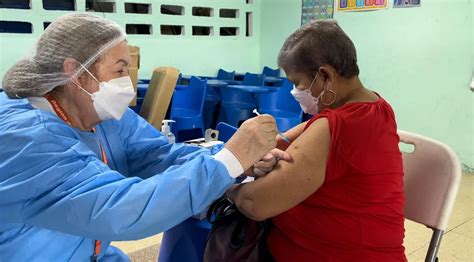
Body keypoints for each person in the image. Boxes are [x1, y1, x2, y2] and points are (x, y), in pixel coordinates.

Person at [0, 13, 283, 261]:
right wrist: (229, 160)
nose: (128, 83)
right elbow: (122, 210)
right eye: (120, 69)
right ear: (76, 72)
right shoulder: (26, 140)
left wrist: (234, 161)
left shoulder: (100, 116)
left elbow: (158, 155)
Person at [227, 20, 407, 261]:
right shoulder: (376, 107)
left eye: (297, 83)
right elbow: (279, 142)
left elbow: (255, 203)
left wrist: (225, 189)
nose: (295, 92)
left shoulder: (336, 126)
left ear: (324, 76)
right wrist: (265, 157)